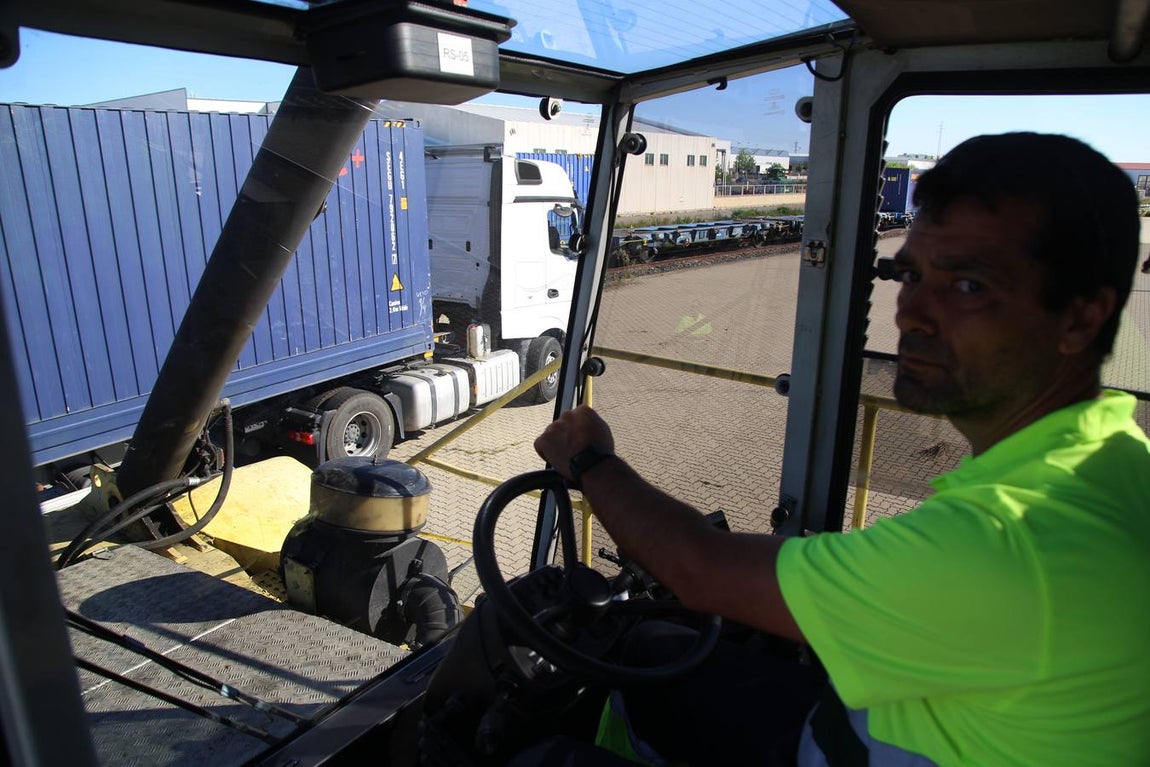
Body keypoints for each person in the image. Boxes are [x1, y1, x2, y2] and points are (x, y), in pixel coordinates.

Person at [533, 133, 1150, 766]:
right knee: (656, 651)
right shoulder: (1117, 458)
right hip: (889, 730)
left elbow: (697, 566)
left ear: (1079, 319)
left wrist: (589, 460)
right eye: (909, 274)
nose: (912, 312)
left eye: (968, 286)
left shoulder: (1009, 538)